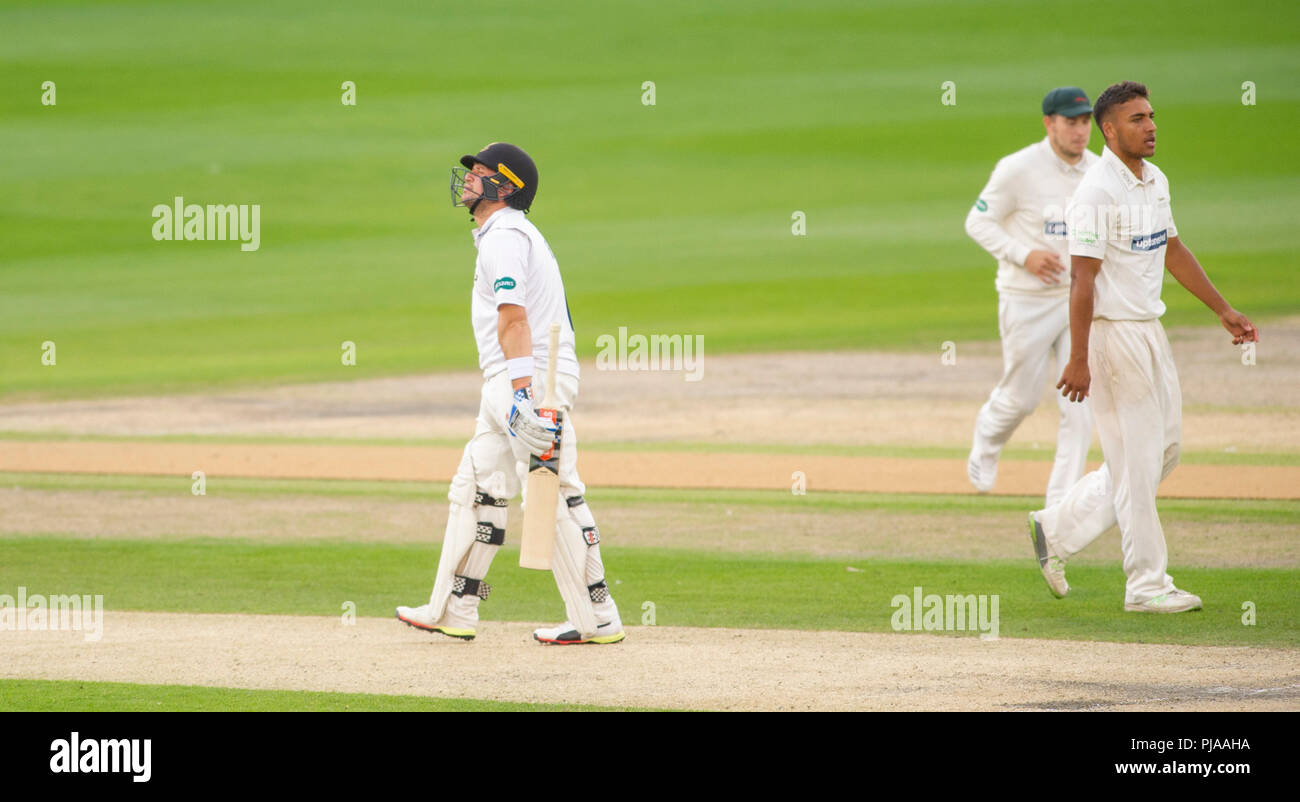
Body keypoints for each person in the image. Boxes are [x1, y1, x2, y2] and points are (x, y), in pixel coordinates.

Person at [1028, 82, 1258, 612]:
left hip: (1150, 331)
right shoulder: (1095, 193)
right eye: (1137, 119)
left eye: (1152, 116)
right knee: (1136, 465)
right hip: (1112, 338)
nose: (1151, 126)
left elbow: (1173, 249)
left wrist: (1223, 309)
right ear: (1109, 131)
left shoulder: (1154, 180)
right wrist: (1079, 358)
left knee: (1161, 453)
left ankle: (1055, 530)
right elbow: (1081, 281)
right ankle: (1146, 585)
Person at [396, 142, 626, 644]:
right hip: (512, 377)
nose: (469, 178)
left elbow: (514, 317)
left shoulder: (505, 234)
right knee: (479, 486)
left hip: (528, 375)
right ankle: (454, 607)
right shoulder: (504, 235)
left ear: (505, 187)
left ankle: (597, 616)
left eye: (480, 172)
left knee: (558, 487)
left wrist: (523, 396)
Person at [965, 87, 1098, 507]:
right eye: (1070, 122)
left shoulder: (1099, 171)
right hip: (1027, 299)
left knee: (1080, 407)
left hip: (1077, 299)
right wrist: (1025, 255)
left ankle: (1059, 506)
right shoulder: (1018, 168)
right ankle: (987, 442)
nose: (1080, 132)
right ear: (1049, 123)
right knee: (1021, 398)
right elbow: (978, 222)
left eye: (1085, 122)